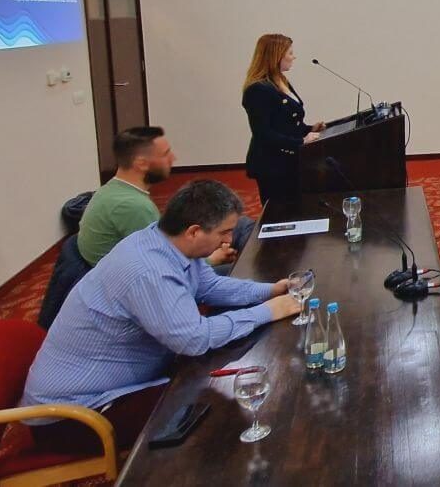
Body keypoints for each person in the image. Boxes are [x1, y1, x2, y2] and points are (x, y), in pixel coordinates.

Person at [20, 181, 302, 455]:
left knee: (213, 388)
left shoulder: (167, 242)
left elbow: (210, 286)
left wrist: (270, 290)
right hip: (74, 416)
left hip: (116, 385)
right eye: (224, 232)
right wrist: (268, 311)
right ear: (194, 231)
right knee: (217, 410)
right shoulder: (148, 270)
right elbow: (194, 339)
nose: (228, 241)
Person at [241, 33, 325, 205]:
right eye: (290, 53)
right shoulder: (258, 89)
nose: (294, 57)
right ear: (276, 56)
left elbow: (287, 122)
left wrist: (309, 129)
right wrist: (301, 141)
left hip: (290, 160)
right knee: (280, 210)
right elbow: (263, 133)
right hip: (272, 164)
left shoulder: (280, 81)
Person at [77, 127, 174, 266]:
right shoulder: (135, 206)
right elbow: (164, 260)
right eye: (165, 154)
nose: (173, 158)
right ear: (141, 163)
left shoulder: (110, 189)